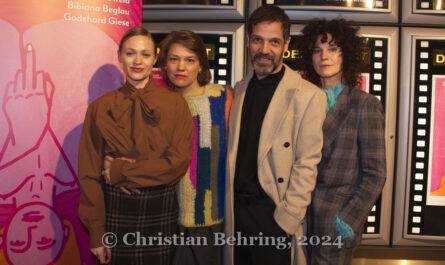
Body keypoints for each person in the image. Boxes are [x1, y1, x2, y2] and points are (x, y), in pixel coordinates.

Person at [78, 26, 193, 265]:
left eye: (145, 54)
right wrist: (97, 232)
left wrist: (121, 171)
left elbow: (178, 163)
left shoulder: (175, 104)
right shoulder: (100, 107)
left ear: (155, 59)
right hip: (114, 211)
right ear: (120, 56)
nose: (138, 61)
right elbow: (89, 173)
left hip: (159, 210)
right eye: (131, 53)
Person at [225, 5, 326, 265]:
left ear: (286, 44)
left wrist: (288, 219)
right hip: (235, 213)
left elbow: (307, 162)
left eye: (274, 41)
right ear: (248, 40)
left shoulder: (308, 95)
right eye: (258, 39)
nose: (265, 49)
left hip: (273, 214)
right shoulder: (240, 89)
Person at [300, 18, 386, 265]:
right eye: (317, 49)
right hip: (302, 218)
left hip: (335, 220)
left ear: (346, 54)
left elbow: (375, 173)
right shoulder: (303, 101)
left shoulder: (365, 103)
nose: (324, 56)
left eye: (333, 48)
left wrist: (347, 219)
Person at [156, 30, 233, 265]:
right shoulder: (160, 103)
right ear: (164, 65)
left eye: (189, 60)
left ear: (200, 64)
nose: (181, 66)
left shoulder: (224, 97)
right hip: (168, 218)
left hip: (213, 218)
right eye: (174, 59)